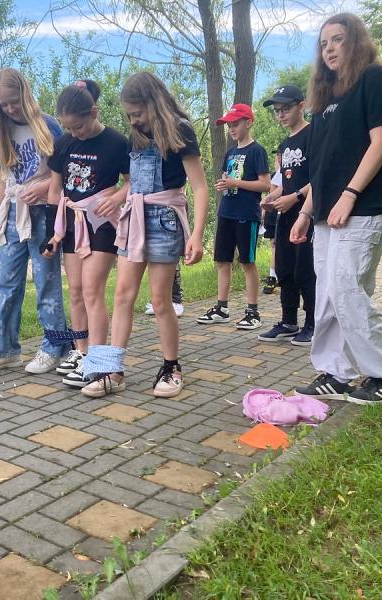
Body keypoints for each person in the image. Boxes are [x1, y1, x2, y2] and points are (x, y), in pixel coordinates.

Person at [291, 13, 382, 404]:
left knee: (348, 290)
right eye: (323, 44)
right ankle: (335, 374)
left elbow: (381, 142)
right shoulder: (325, 100)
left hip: (363, 207)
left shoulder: (375, 78)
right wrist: (306, 211)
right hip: (326, 213)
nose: (329, 49)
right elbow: (322, 168)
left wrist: (351, 193)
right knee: (326, 294)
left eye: (337, 40)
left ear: (356, 41)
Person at [79, 71, 208, 399]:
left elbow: (199, 186)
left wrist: (196, 235)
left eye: (137, 113)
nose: (134, 121)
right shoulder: (136, 135)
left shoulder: (181, 130)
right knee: (122, 294)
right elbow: (133, 183)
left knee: (161, 300)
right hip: (134, 219)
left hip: (165, 220)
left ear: (154, 103)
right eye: (129, 115)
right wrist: (117, 199)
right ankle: (113, 370)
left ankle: (171, 368)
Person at [0, 68, 70, 374]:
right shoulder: (1, 132)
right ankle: (5, 349)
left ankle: (55, 347)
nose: (10, 108)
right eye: (3, 104)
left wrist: (43, 187)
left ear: (25, 94)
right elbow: (1, 180)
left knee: (46, 282)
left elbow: (65, 172)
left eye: (14, 102)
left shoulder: (48, 126)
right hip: (11, 216)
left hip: (43, 214)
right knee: (8, 283)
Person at [42, 79, 130, 388]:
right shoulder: (63, 143)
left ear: (93, 112)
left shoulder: (117, 142)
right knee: (77, 291)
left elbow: (133, 181)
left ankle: (97, 360)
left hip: (101, 223)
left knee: (93, 291)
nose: (74, 133)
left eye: (78, 127)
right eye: (68, 128)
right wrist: (53, 233)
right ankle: (81, 352)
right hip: (71, 222)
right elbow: (56, 189)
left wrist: (117, 198)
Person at [197, 104, 270, 330]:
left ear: (249, 122)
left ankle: (253, 312)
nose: (231, 129)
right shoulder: (230, 153)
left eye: (235, 124)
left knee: (247, 261)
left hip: (246, 214)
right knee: (222, 260)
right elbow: (227, 178)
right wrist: (224, 184)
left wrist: (236, 182)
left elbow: (265, 184)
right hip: (226, 212)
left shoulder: (257, 151)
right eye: (229, 125)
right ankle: (222, 308)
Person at [257, 85, 316, 346]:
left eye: (286, 109)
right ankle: (288, 321)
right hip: (286, 215)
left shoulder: (314, 135)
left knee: (306, 269)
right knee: (285, 267)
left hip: (308, 213)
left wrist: (296, 197)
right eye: (277, 111)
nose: (280, 115)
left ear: (301, 106)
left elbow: (320, 177)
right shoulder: (284, 145)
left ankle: (313, 323)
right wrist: (272, 198)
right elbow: (283, 182)